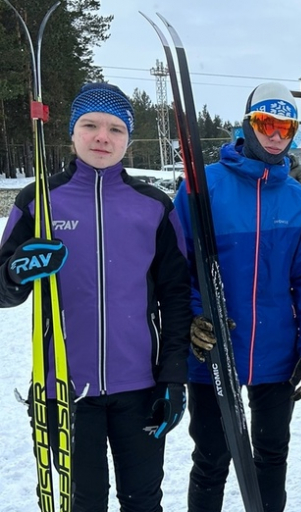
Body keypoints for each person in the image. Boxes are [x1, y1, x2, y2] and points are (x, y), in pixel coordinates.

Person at [0, 82, 192, 511]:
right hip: (65, 389)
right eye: (90, 125)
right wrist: (17, 272)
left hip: (140, 388)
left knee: (143, 501)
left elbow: (177, 297)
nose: (102, 137)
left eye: (115, 129)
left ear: (129, 138)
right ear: (72, 132)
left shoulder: (154, 206)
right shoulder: (40, 202)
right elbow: (4, 290)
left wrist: (173, 376)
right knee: (83, 503)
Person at [174, 82, 301, 512]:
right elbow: (174, 267)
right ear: (247, 125)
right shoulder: (201, 188)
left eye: (286, 126)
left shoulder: (299, 202)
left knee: (271, 456)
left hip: (276, 351)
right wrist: (191, 318)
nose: (276, 135)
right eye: (265, 123)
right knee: (211, 458)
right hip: (212, 348)